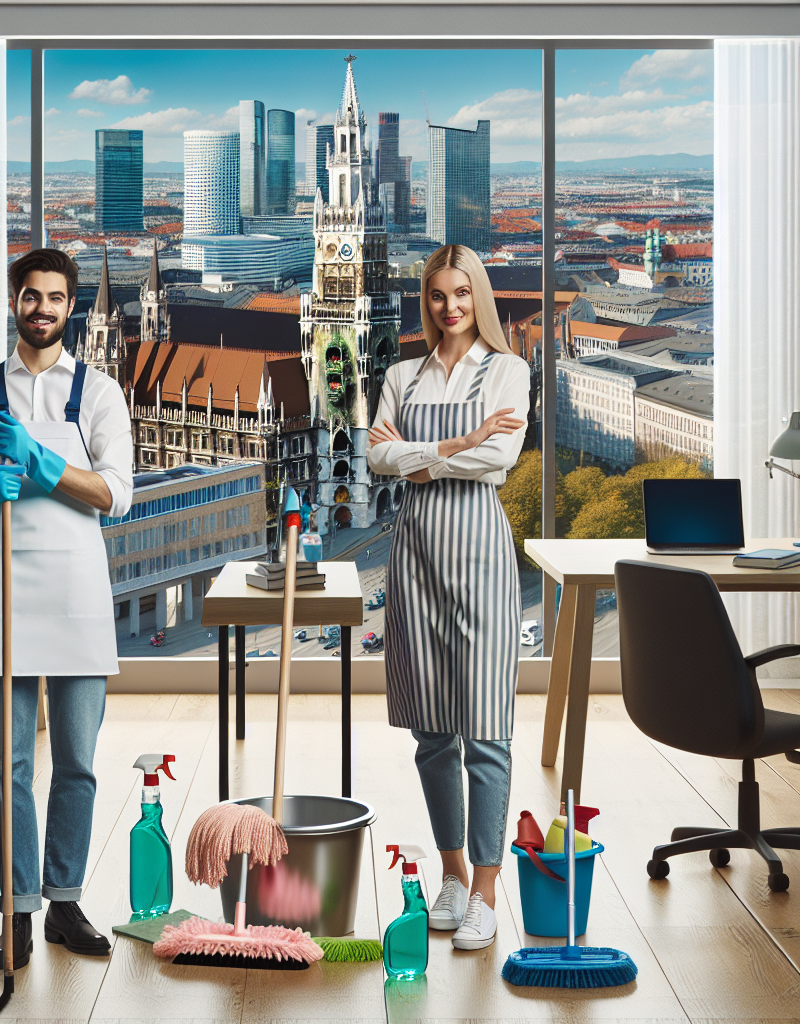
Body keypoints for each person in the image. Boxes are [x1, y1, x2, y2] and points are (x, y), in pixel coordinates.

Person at [0, 248, 133, 969]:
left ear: (70, 306)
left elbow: (118, 494)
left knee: (78, 764)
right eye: (32, 296)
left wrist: (47, 465)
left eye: (56, 297)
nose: (43, 308)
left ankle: (63, 901)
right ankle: (16, 912)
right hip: (7, 596)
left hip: (78, 594)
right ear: (14, 302)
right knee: (11, 769)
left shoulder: (101, 393)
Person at [367, 244, 528, 951]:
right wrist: (461, 440)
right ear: (425, 301)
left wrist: (420, 457)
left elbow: (500, 462)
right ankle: (454, 873)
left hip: (481, 557)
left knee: (486, 730)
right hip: (417, 559)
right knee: (434, 734)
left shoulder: (510, 371)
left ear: (479, 297)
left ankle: (489, 891)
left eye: (462, 293)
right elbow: (376, 457)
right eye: (437, 295)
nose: (450, 306)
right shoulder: (401, 374)